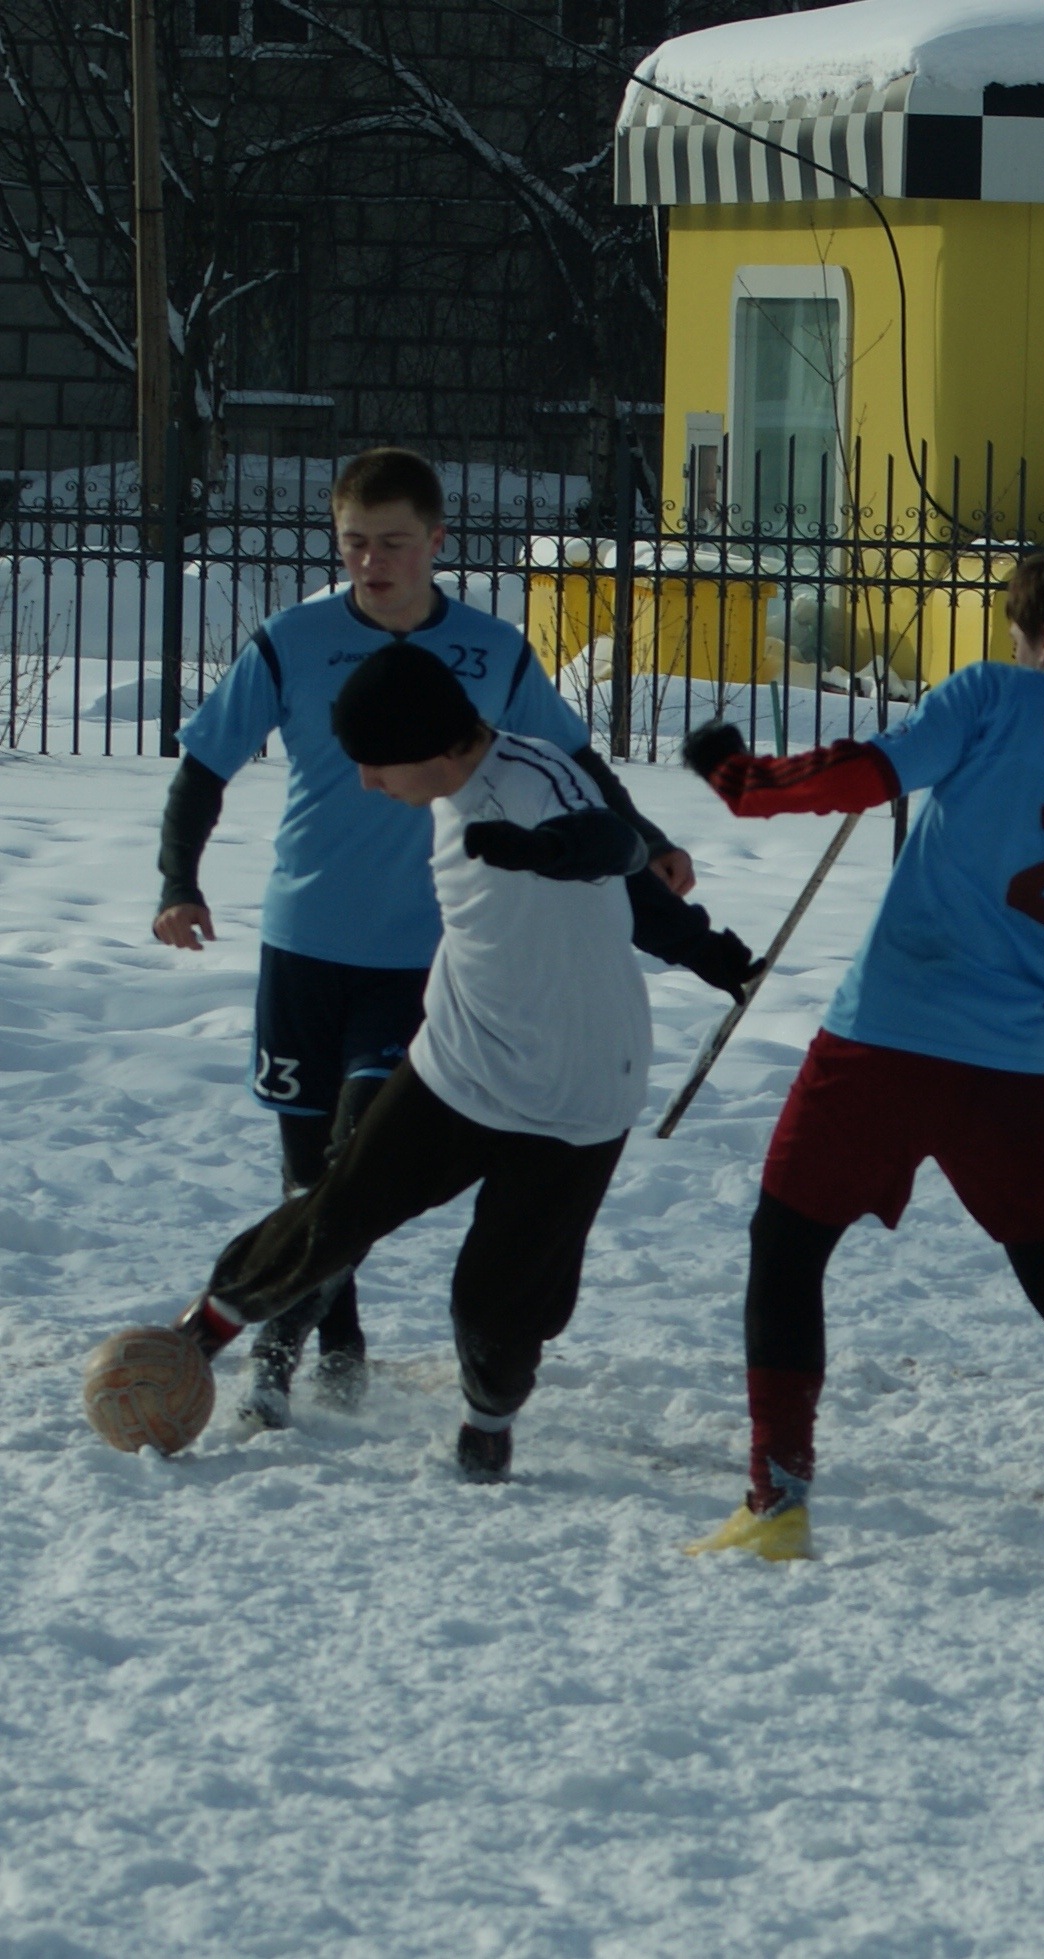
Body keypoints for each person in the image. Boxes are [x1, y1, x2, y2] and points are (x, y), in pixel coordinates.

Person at [681, 537, 1044, 1584]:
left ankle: (778, 1503)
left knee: (788, 1245)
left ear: (1041, 637)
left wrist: (738, 779)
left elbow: (862, 774)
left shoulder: (992, 693)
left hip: (885, 1037)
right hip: (1015, 1071)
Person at [153, 447, 756, 1428]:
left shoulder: (491, 659)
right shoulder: (292, 640)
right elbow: (204, 766)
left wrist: (645, 847)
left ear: (435, 542)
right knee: (313, 1180)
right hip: (306, 943)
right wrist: (178, 881)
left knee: (359, 1161)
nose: (372, 562)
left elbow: (577, 775)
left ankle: (277, 1349)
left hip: (424, 968)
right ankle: (328, 1341)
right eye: (354, 543)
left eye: (393, 543)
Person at [173, 642, 651, 1478]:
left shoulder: (533, 780)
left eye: (374, 761)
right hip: (461, 1059)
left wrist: (549, 851)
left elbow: (615, 842)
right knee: (336, 1210)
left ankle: (487, 1423)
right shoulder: (445, 781)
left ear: (433, 745)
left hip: (573, 1088)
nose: (364, 782)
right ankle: (201, 1332)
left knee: (495, 1302)